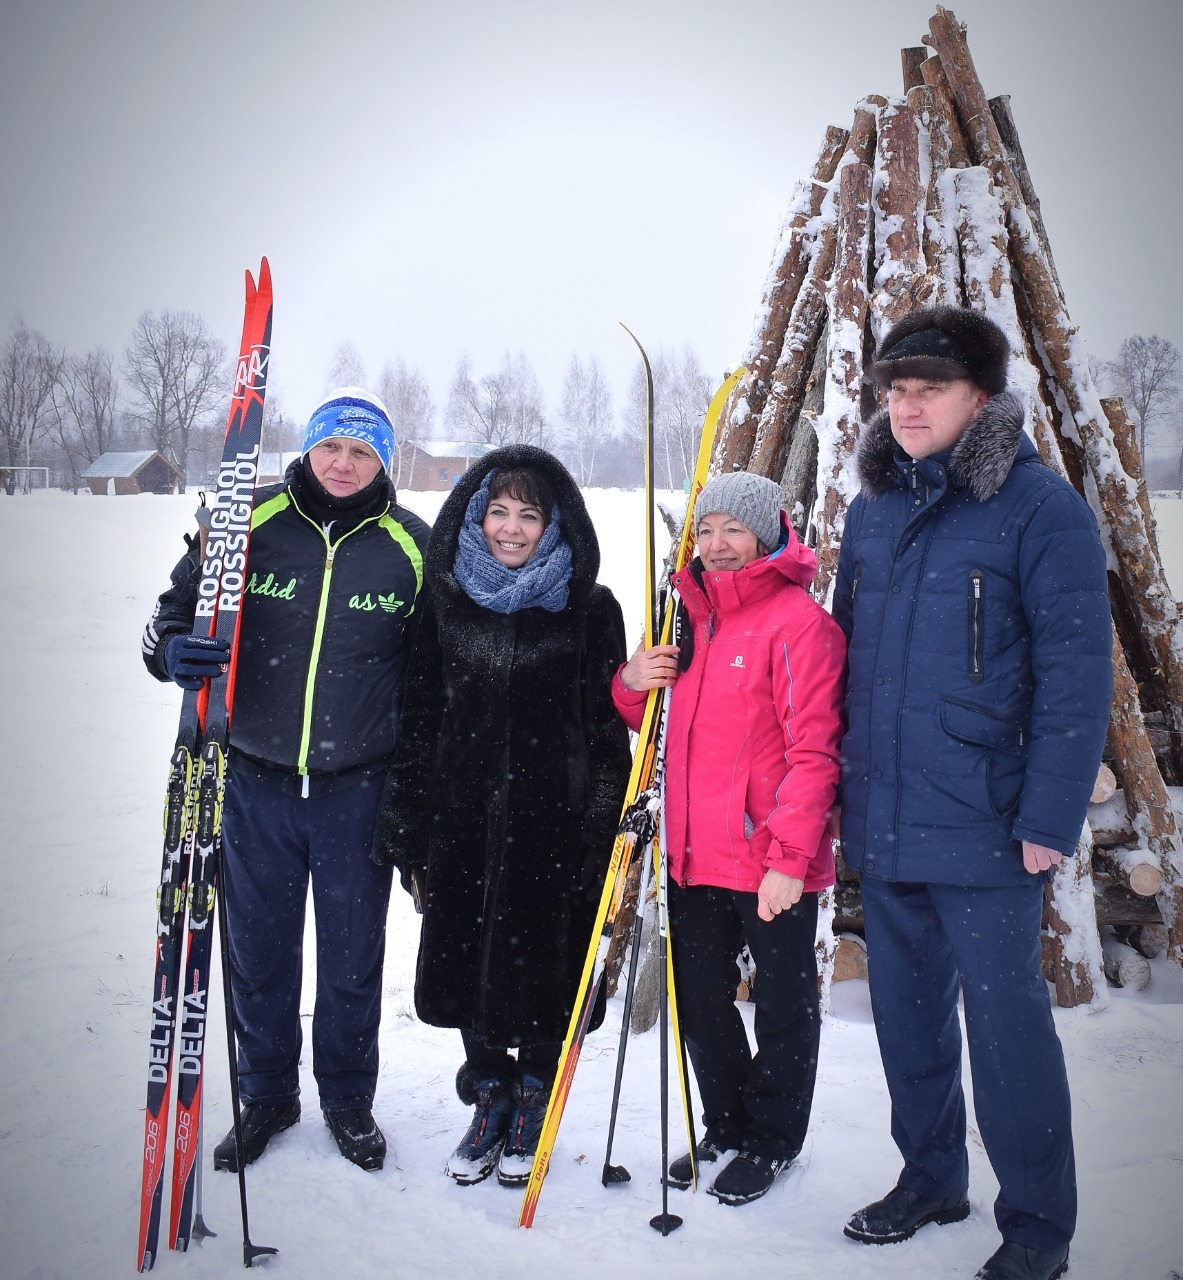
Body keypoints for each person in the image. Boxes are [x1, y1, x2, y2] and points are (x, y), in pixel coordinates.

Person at [833, 307, 1112, 1280]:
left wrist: (1049, 816)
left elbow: (1077, 676)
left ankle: (1036, 1227)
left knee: (1005, 1032)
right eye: (896, 390)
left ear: (981, 397)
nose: (907, 407)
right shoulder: (870, 509)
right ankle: (930, 1178)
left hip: (988, 822)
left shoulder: (1039, 509)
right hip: (886, 813)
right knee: (906, 1017)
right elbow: (844, 661)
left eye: (931, 389)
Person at [142, 387, 431, 1173]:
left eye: (362, 451)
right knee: (258, 954)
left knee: (351, 960)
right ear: (307, 448)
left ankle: (347, 1099)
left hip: (357, 790)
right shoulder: (246, 523)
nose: (343, 463)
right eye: (331, 446)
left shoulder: (411, 547)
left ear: (383, 462)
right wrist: (172, 652)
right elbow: (169, 617)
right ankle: (267, 1094)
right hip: (254, 782)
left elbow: (433, 674)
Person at [371, 444, 632, 1188]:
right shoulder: (445, 603)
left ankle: (534, 1098)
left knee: (549, 971)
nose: (510, 528)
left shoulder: (590, 609)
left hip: (556, 830)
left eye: (528, 515)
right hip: (461, 825)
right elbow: (419, 717)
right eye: (498, 512)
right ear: (475, 517)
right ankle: (488, 1094)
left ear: (555, 525)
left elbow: (605, 732)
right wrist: (409, 825)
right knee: (467, 962)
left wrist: (602, 826)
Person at [614, 472, 846, 1206]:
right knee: (702, 1000)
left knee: (782, 1005)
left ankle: (773, 1141)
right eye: (706, 529)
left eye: (733, 529)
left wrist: (790, 859)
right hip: (691, 851)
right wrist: (631, 683)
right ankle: (726, 1123)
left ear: (766, 535)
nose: (716, 544)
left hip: (769, 856)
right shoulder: (687, 614)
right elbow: (659, 726)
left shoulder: (799, 625)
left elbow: (815, 754)